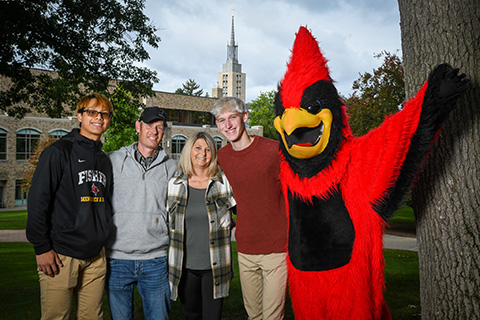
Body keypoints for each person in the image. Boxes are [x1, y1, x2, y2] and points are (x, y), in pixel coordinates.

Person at [26, 93, 114, 320]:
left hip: (95, 256)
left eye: (104, 114)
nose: (99, 118)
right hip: (61, 255)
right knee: (57, 316)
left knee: (93, 317)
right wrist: (42, 247)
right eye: (92, 112)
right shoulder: (58, 152)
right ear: (79, 116)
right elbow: (37, 203)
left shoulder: (104, 160)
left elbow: (104, 204)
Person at [211, 96, 289, 320]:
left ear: (244, 117)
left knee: (272, 316)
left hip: (276, 249)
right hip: (245, 248)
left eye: (232, 118)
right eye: (221, 120)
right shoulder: (221, 158)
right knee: (253, 315)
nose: (228, 125)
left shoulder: (274, 151)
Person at [105, 107, 176, 320]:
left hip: (155, 260)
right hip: (117, 259)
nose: (154, 131)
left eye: (159, 127)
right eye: (149, 125)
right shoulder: (112, 161)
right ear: (138, 126)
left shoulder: (173, 168)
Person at [167, 131, 236, 320]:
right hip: (185, 268)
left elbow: (244, 214)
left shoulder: (224, 184)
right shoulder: (174, 185)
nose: (203, 153)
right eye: (198, 148)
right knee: (191, 316)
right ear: (189, 150)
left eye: (208, 149)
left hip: (215, 268)